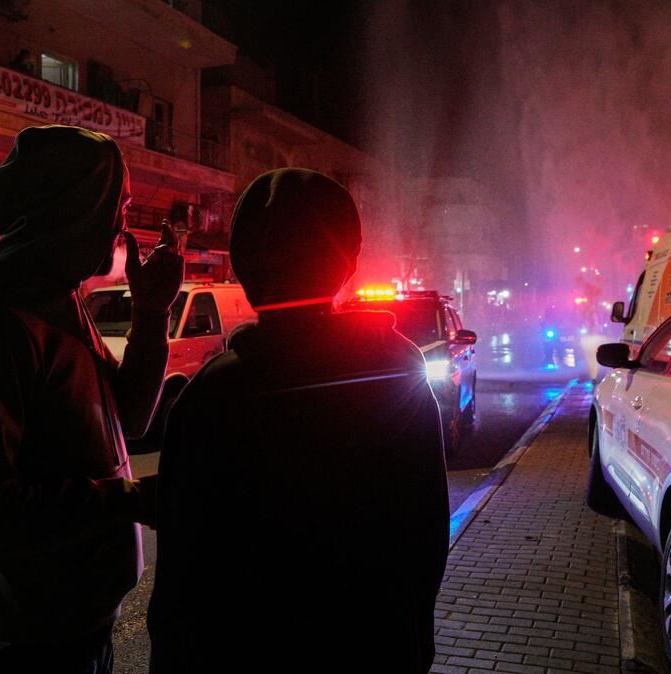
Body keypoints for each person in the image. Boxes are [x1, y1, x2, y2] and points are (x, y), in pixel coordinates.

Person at [147, 168, 450, 672]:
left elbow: (183, 579)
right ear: (348, 261)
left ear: (243, 266)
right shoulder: (398, 372)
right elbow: (425, 537)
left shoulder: (210, 397)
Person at [0, 125, 182, 673]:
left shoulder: (61, 301)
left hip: (75, 641)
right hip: (21, 656)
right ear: (75, 207)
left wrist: (152, 315)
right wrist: (126, 500)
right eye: (118, 205)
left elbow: (129, 417)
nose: (121, 227)